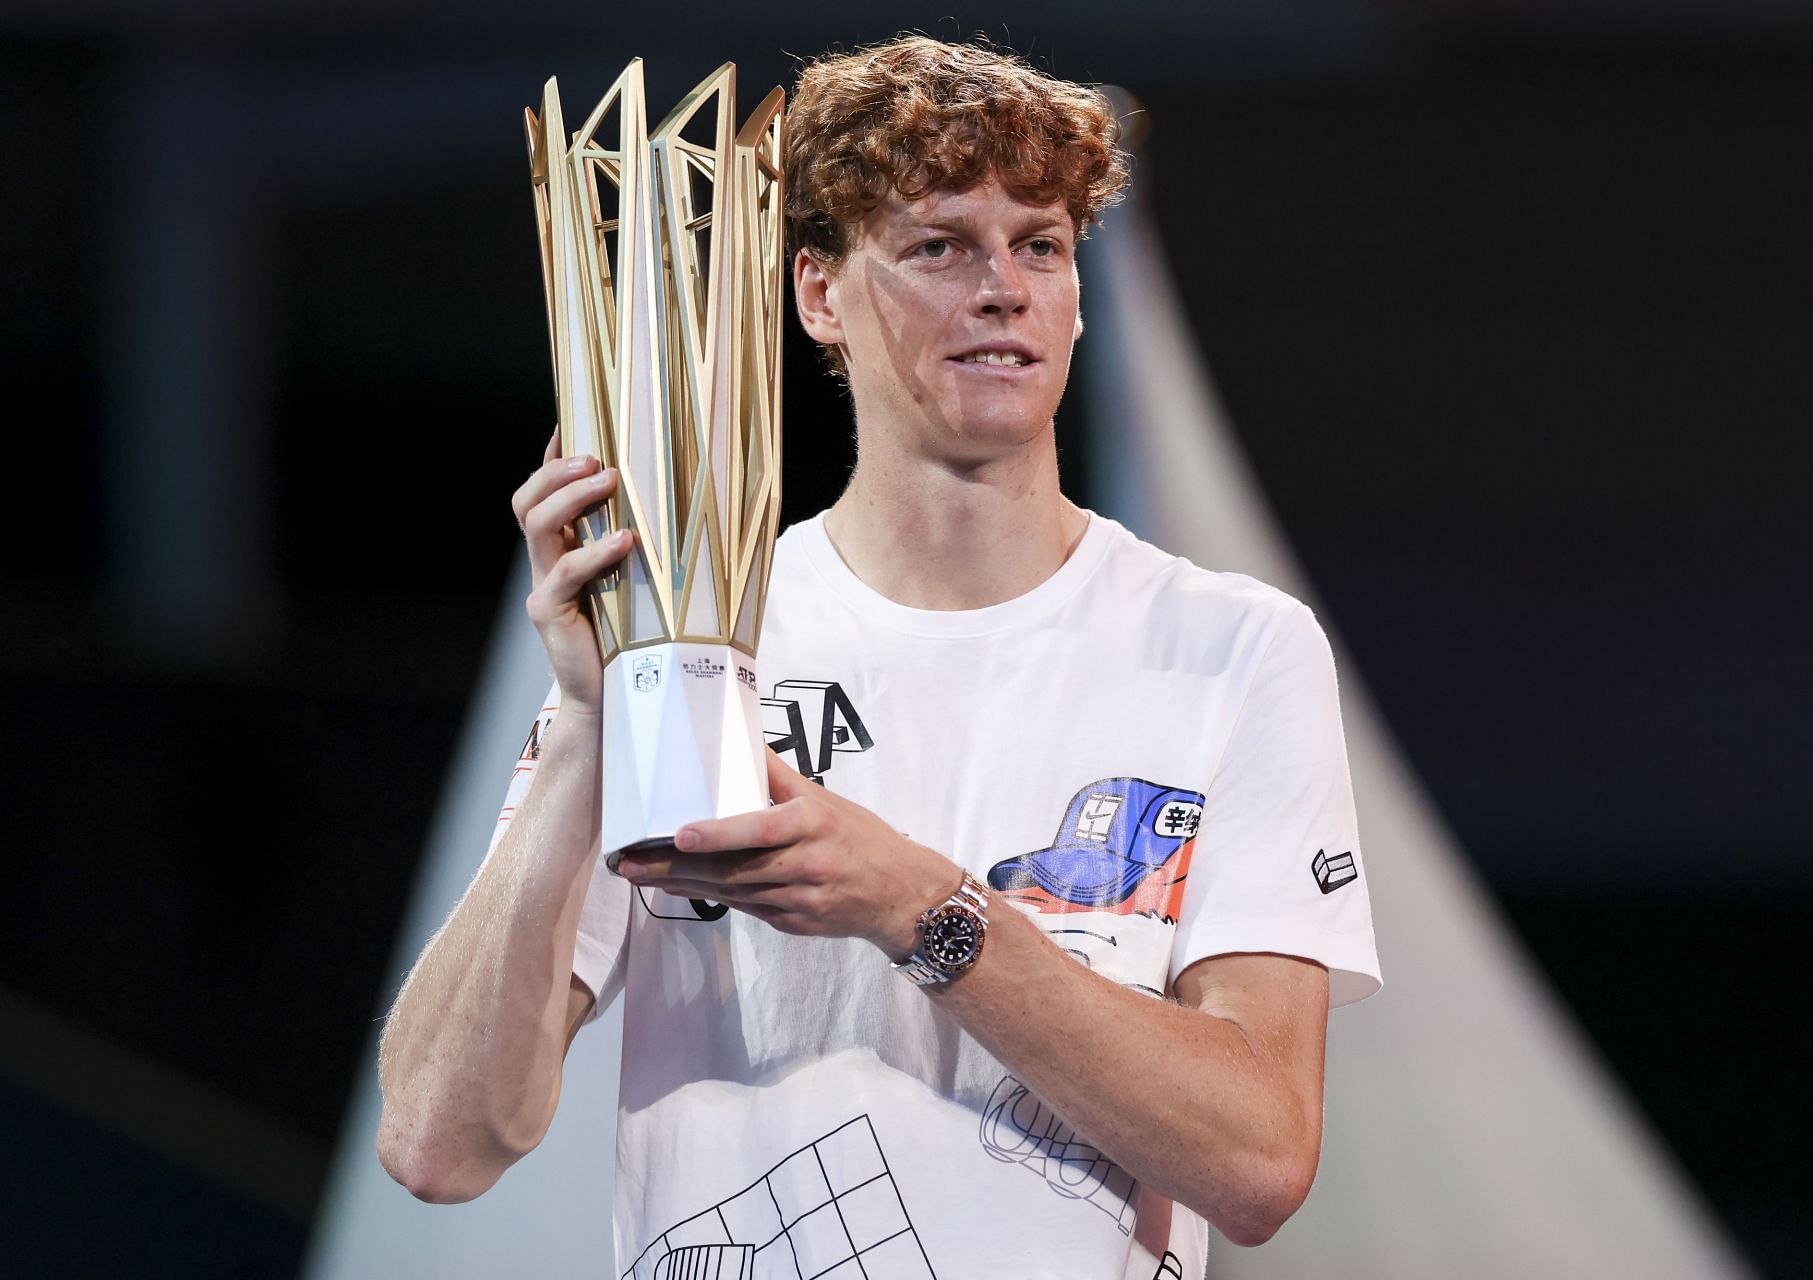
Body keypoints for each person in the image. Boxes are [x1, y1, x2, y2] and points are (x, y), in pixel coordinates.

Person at [377, 35, 1380, 1280]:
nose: (1002, 287)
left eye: (1041, 244)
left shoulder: (1230, 646)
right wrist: (586, 724)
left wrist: (917, 904)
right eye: (939, 245)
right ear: (817, 293)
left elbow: (1260, 1160)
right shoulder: (691, 641)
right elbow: (437, 1140)